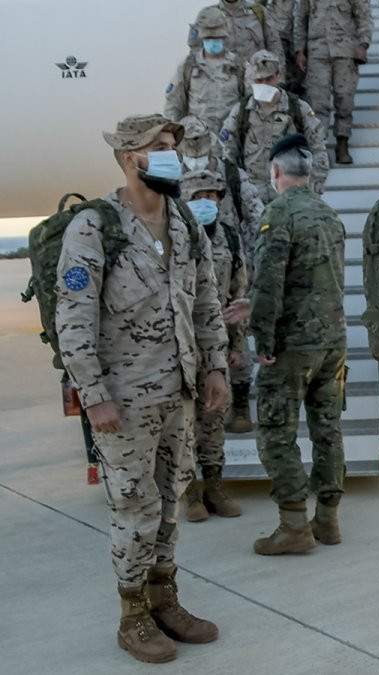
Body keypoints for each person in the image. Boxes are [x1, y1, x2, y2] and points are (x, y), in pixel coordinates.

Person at [55, 113, 231, 663]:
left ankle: (165, 600)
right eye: (160, 147)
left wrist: (216, 367)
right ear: (131, 158)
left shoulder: (182, 222)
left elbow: (205, 302)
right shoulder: (96, 226)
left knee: (171, 500)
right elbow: (73, 315)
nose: (172, 154)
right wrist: (94, 394)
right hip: (123, 400)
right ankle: (132, 614)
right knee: (134, 506)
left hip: (177, 392)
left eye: (173, 145)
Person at [250, 133, 347, 556]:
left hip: (293, 346)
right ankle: (327, 521)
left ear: (275, 172)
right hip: (332, 341)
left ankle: (293, 526)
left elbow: (269, 283)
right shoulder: (329, 215)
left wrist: (264, 339)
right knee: (327, 429)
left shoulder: (278, 214)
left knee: (276, 431)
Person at [179, 116, 264, 432]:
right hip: (190, 258)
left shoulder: (230, 173)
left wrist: (255, 261)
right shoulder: (170, 177)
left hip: (230, 255)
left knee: (235, 326)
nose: (196, 148)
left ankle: (240, 404)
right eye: (190, 143)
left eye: (201, 142)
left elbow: (255, 217)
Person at [180, 169, 249, 522]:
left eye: (213, 196)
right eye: (199, 196)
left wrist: (236, 343)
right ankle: (189, 493)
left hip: (217, 344)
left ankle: (214, 488)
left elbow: (239, 294)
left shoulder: (230, 240)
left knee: (214, 419)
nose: (208, 202)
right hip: (180, 345)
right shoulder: (173, 236)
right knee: (184, 422)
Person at [220, 49, 329, 201]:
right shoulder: (240, 112)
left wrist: (314, 190)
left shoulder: (298, 109)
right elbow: (228, 154)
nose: (264, 84)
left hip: (290, 190)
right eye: (259, 80)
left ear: (279, 76)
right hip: (253, 193)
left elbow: (318, 148)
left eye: (268, 79)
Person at [294, 0, 373, 164]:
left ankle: (342, 143)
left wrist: (363, 43)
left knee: (345, 100)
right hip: (317, 52)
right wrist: (299, 50)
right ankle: (320, 147)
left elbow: (364, 15)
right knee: (317, 102)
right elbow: (300, 18)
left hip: (345, 51)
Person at [166, 6, 246, 139]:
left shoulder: (239, 67)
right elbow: (173, 106)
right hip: (196, 143)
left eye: (217, 37)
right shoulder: (187, 67)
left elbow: (249, 106)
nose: (213, 41)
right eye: (209, 38)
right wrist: (175, 138)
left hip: (230, 142)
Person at [187, 0, 284, 66]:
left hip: (256, 78)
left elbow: (274, 45)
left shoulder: (258, 11)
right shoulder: (208, 15)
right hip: (225, 81)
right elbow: (195, 50)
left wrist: (278, 76)